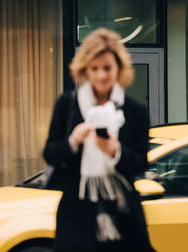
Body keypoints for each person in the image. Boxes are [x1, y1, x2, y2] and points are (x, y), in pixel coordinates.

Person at [43, 28, 155, 252]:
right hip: (77, 213)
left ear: (119, 69)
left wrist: (116, 152)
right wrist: (73, 141)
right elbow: (50, 153)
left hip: (122, 215)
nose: (102, 75)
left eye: (107, 68)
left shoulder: (135, 110)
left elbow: (141, 162)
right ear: (85, 70)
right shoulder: (68, 105)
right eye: (94, 68)